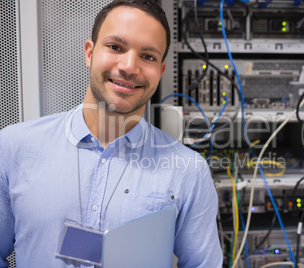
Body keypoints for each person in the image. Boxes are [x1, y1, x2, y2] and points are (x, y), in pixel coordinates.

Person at [0, 0, 223, 267]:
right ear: (89, 53)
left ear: (160, 71)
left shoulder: (189, 171)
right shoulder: (12, 148)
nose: (129, 66)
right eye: (115, 47)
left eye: (148, 56)